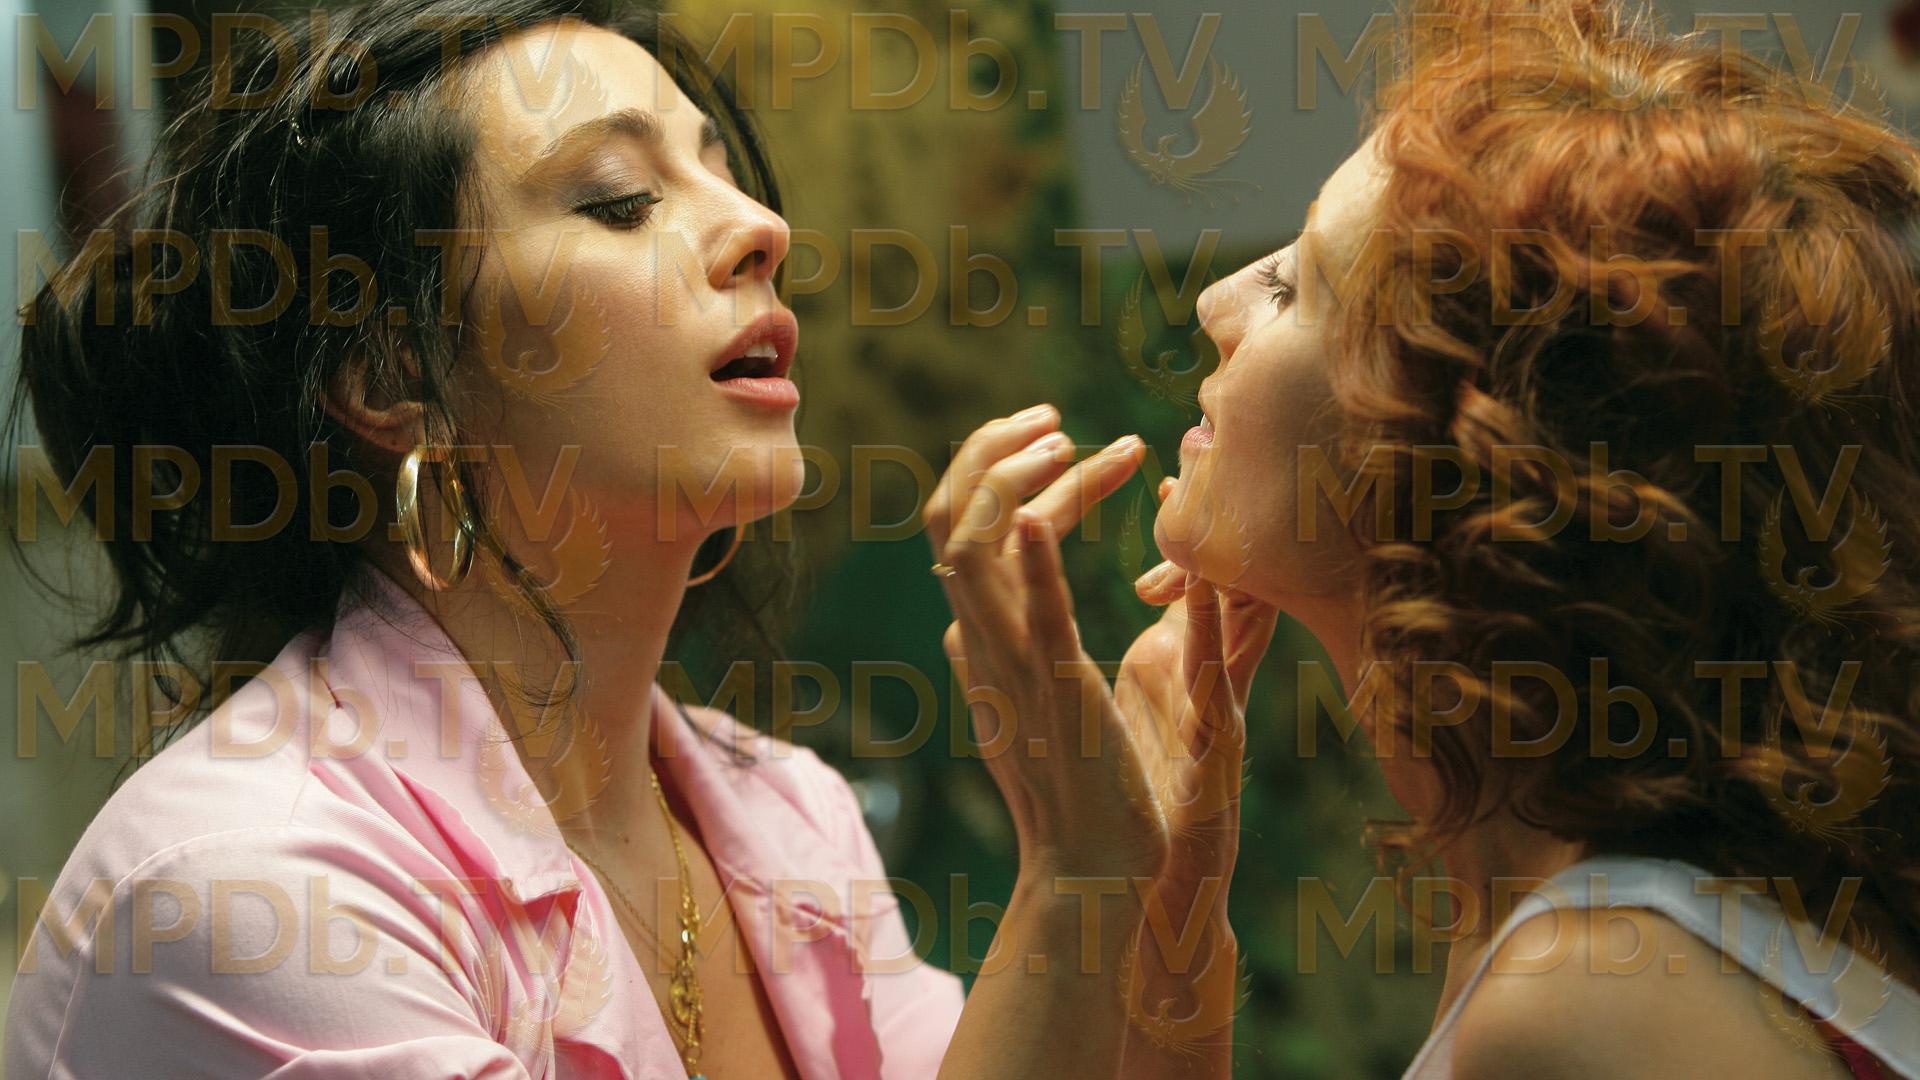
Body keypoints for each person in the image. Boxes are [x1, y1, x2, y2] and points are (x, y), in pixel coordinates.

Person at [3, 2, 1222, 1076]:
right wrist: (1075, 874)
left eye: (722, 170)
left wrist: (1162, 878)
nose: (761, 226)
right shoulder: (255, 890)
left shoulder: (784, 816)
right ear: (390, 375)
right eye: (621, 202)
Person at [934, 0, 1920, 1077]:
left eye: (1293, 286)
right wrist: (1168, 903)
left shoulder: (1587, 1001)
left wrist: (1075, 873)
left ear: (1460, 457)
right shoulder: (1606, 926)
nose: (1216, 301)